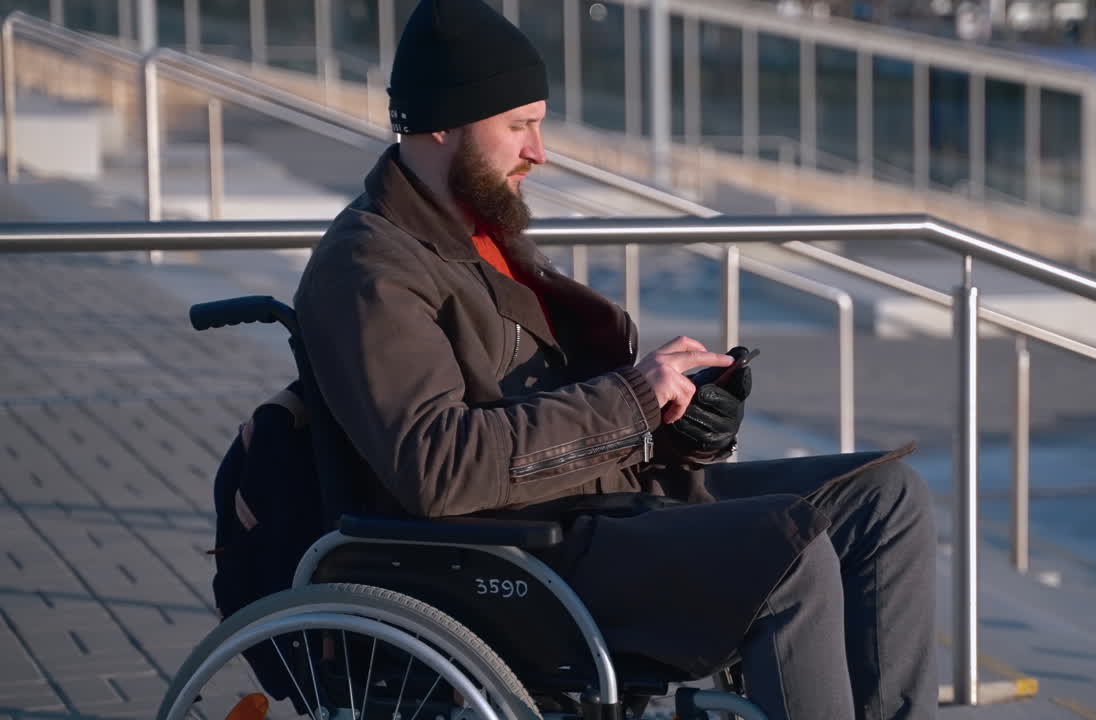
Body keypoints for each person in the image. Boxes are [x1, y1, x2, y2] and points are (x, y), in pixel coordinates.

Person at [293, 1, 936, 717]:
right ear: (442, 121)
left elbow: (555, 412)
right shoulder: (370, 268)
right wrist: (629, 397)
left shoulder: (476, 234)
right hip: (517, 550)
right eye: (517, 126)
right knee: (788, 553)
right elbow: (438, 467)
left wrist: (673, 416)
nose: (539, 150)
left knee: (886, 500)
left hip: (600, 506)